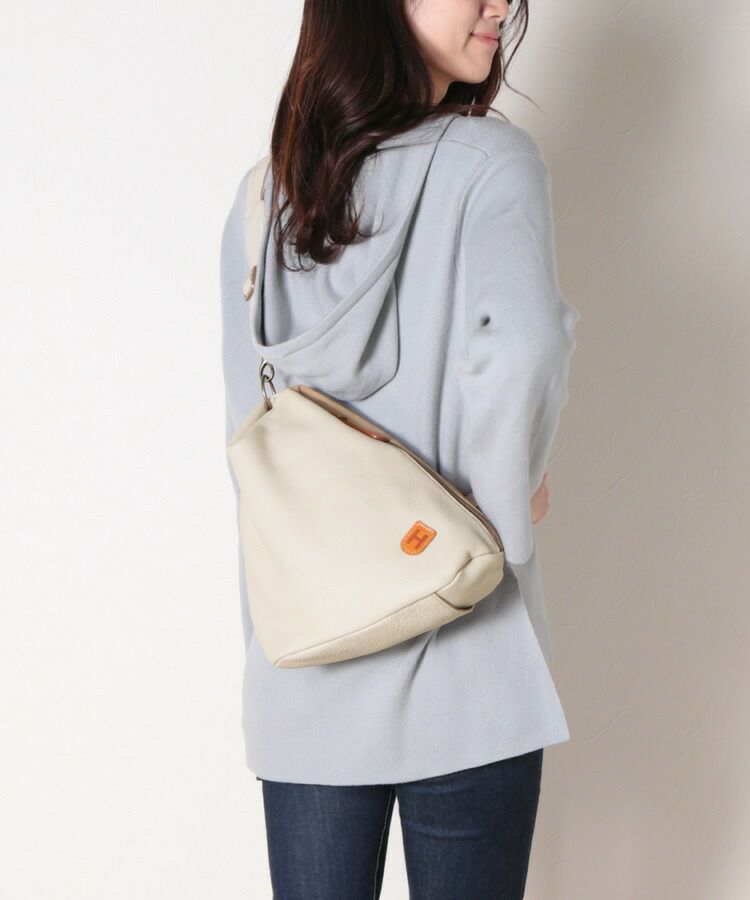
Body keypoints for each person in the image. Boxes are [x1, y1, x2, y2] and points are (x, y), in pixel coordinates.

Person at [220, 1, 580, 896]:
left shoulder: (266, 198)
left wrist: (269, 648)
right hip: (469, 670)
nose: (500, 4)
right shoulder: (490, 161)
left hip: (306, 674)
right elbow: (525, 344)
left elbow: (250, 445)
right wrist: (509, 508)